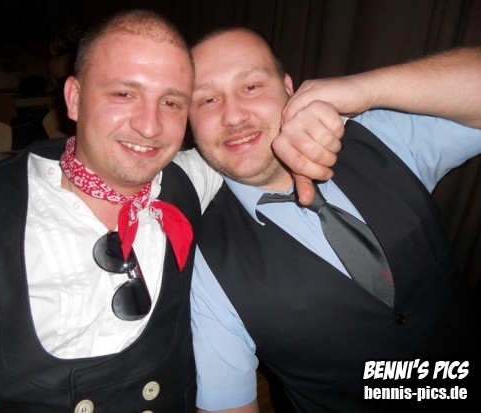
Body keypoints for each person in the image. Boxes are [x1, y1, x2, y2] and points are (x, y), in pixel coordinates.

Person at [0, 9, 227, 412]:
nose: (150, 126)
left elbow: (258, 135)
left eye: (171, 102)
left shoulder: (189, 180)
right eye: (124, 94)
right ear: (73, 98)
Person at [188, 27, 481, 412]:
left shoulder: (381, 136)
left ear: (289, 89)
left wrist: (365, 89)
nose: (233, 116)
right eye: (207, 99)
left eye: (251, 87)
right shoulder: (203, 263)